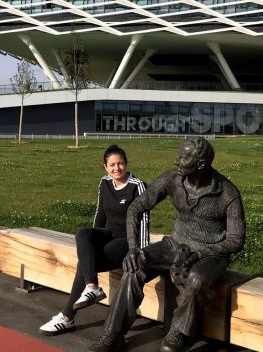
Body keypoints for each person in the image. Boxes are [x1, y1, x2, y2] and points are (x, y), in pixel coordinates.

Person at [89, 137, 246, 352]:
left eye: (183, 158)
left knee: (196, 279)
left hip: (210, 253)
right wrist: (134, 248)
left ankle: (179, 331)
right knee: (136, 265)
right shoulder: (172, 178)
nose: (176, 161)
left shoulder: (227, 194)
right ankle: (113, 334)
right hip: (174, 246)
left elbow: (236, 240)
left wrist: (202, 254)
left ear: (200, 164)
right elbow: (136, 208)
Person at [39, 145, 150, 336]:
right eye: (112, 165)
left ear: (126, 163)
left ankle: (67, 316)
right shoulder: (104, 182)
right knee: (83, 233)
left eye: (121, 163)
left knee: (85, 263)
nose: (117, 168)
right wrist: (93, 240)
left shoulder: (137, 186)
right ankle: (92, 287)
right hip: (107, 233)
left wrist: (140, 251)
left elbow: (144, 221)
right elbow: (100, 213)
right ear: (105, 167)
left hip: (126, 240)